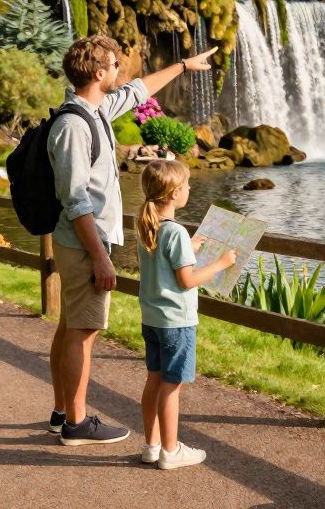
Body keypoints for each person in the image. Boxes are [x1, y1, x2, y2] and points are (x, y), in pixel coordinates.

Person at [46, 35, 216, 446]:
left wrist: (183, 66)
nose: (122, 71)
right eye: (116, 65)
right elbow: (76, 202)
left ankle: (62, 413)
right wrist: (100, 258)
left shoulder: (96, 109)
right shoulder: (73, 124)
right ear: (99, 73)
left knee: (71, 326)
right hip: (84, 243)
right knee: (84, 332)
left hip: (87, 242)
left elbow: (137, 91)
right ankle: (77, 423)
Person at [134, 160, 236, 469]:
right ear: (175, 193)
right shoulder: (175, 231)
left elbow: (164, 263)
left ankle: (152, 446)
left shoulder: (149, 227)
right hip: (176, 322)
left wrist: (189, 246)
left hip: (152, 318)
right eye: (188, 185)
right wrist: (221, 263)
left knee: (154, 379)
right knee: (171, 385)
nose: (190, 189)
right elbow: (187, 280)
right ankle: (170, 451)